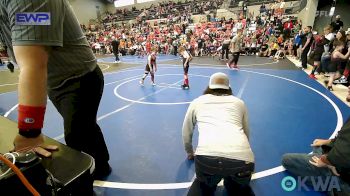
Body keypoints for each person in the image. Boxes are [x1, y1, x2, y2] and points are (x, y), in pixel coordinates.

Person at [0, 0, 111, 184]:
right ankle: (101, 163)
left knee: (76, 135)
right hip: (55, 81)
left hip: (78, 78)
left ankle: (97, 170)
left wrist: (30, 133)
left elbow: (34, 64)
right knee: (85, 127)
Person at [182, 72, 255, 196]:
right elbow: (246, 131)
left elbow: (186, 131)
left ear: (209, 86)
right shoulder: (239, 103)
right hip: (242, 160)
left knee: (204, 188)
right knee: (238, 189)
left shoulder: (197, 102)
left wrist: (189, 152)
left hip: (206, 158)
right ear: (228, 87)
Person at [282, 117, 350, 195]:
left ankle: (333, 186)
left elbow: (342, 155)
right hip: (343, 161)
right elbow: (343, 138)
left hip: (344, 175)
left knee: (287, 160)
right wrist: (328, 142)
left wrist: (328, 162)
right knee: (319, 146)